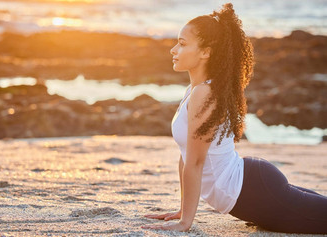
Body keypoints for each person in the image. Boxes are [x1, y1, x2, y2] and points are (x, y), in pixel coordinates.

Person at [140, 3, 327, 234]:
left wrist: (185, 222)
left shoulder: (204, 93)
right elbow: (186, 155)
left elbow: (196, 163)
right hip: (252, 185)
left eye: (182, 43)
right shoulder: (195, 90)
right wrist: (183, 211)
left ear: (206, 52)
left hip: (255, 190)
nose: (173, 49)